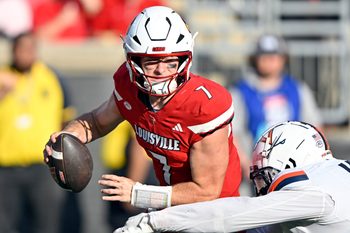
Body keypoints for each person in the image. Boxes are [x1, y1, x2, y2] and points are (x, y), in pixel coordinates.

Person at [44, 6, 242, 212]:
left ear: (185, 59)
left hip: (218, 216)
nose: (161, 70)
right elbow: (95, 122)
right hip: (172, 208)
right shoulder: (129, 87)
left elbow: (207, 192)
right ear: (133, 61)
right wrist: (66, 138)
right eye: (151, 62)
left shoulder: (204, 106)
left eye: (171, 62)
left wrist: (138, 193)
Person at [113, 121, 350, 233]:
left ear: (289, 162)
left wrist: (155, 221)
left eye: (264, 178)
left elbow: (229, 214)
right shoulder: (334, 177)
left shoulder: (314, 193)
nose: (264, 190)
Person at [0, 31, 71, 233]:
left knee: (46, 224)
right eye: (21, 49)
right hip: (6, 168)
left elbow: (67, 118)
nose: (26, 54)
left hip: (43, 167)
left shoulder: (51, 78)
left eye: (30, 49)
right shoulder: (3, 76)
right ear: (13, 51)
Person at [230, 34, 323, 184]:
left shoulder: (297, 89)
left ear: (283, 59)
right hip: (254, 170)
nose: (269, 61)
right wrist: (247, 166)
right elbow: (233, 134)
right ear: (254, 59)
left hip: (294, 168)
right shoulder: (241, 92)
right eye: (264, 56)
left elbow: (315, 129)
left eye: (274, 56)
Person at [101, 121, 157, 231]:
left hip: (132, 178)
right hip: (123, 176)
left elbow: (139, 146)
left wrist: (134, 193)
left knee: (130, 225)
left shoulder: (136, 106)